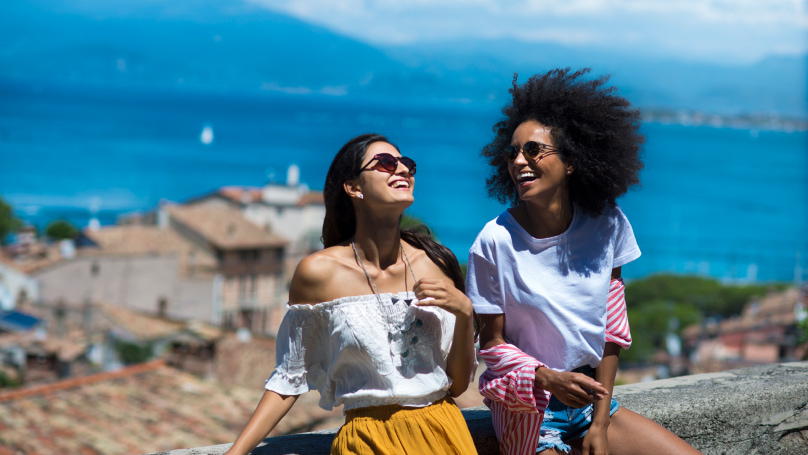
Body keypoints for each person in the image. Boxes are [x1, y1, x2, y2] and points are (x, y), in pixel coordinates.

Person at [466, 69, 702, 455]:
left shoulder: (608, 223)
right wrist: (548, 379)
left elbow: (612, 328)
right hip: (528, 406)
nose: (519, 161)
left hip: (593, 401)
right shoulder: (494, 241)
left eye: (534, 150)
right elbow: (491, 345)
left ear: (572, 161)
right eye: (512, 152)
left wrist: (600, 420)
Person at [225, 133, 478, 455]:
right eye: (386, 163)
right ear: (354, 187)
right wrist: (236, 452)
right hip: (367, 440)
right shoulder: (318, 274)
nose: (402, 170)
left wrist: (465, 313)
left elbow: (456, 385)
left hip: (444, 433)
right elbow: (289, 379)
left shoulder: (435, 262)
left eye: (407, 164)